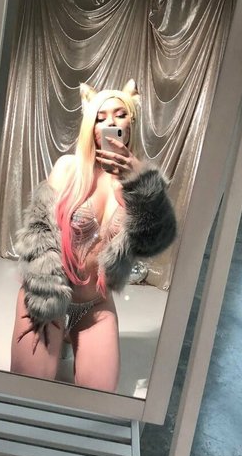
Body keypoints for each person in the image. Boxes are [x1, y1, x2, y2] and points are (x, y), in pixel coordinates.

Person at [10, 80, 176, 392]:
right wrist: (42, 294)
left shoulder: (138, 184)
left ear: (131, 123)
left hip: (95, 307)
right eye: (101, 117)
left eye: (120, 114)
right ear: (91, 127)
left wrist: (143, 184)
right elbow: (38, 234)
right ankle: (57, 338)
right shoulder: (68, 168)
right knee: (28, 390)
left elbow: (159, 240)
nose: (111, 123)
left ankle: (70, 340)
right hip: (49, 295)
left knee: (98, 398)